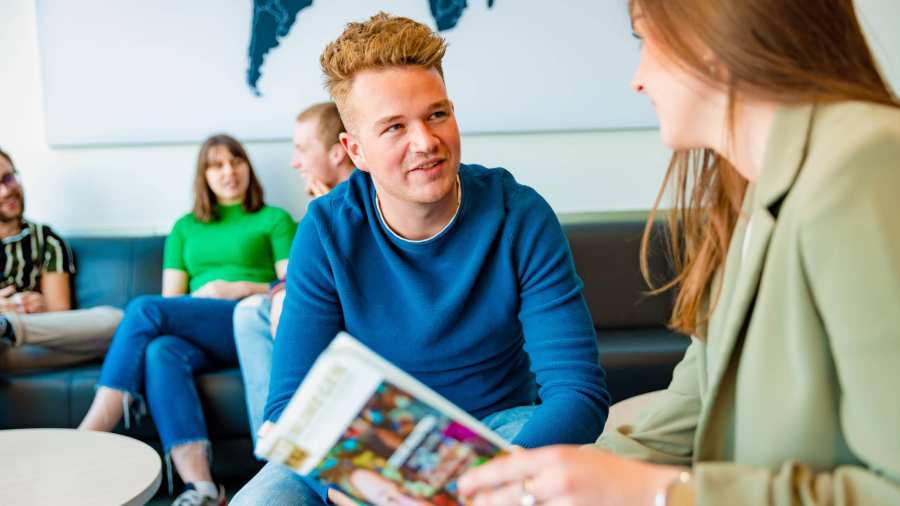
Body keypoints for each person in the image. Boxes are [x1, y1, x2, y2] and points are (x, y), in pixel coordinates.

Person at [458, 0, 900, 504]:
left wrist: (661, 493)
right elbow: (689, 413)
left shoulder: (863, 165)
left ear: (710, 35)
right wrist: (538, 485)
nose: (638, 80)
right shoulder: (753, 196)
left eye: (643, 41)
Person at [231, 13, 610, 505]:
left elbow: (578, 391)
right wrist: (350, 485)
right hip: (370, 447)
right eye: (394, 127)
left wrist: (474, 489)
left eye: (437, 115)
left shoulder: (520, 214)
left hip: (495, 429)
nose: (426, 142)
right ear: (355, 150)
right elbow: (287, 407)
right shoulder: (324, 231)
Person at [78, 134, 297, 506]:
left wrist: (238, 287)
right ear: (204, 176)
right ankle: (204, 488)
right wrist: (195, 307)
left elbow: (291, 290)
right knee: (160, 350)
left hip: (248, 321)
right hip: (200, 325)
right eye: (217, 165)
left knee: (144, 310)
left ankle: (90, 434)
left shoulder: (274, 219)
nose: (229, 171)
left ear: (247, 167)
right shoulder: (184, 228)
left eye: (236, 161)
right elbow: (172, 299)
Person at [233, 101, 354, 443]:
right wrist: (280, 291)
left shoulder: (349, 211)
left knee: (247, 312)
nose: (294, 162)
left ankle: (278, 445)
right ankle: (275, 442)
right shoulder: (321, 208)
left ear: (337, 152)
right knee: (248, 312)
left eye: (302, 149)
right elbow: (305, 276)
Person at [0, 147, 123, 373]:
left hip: (22, 346)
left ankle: (6, 327)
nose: (6, 190)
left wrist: (42, 306)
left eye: (9, 178)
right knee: (120, 339)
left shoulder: (47, 240)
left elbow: (61, 316)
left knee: (118, 322)